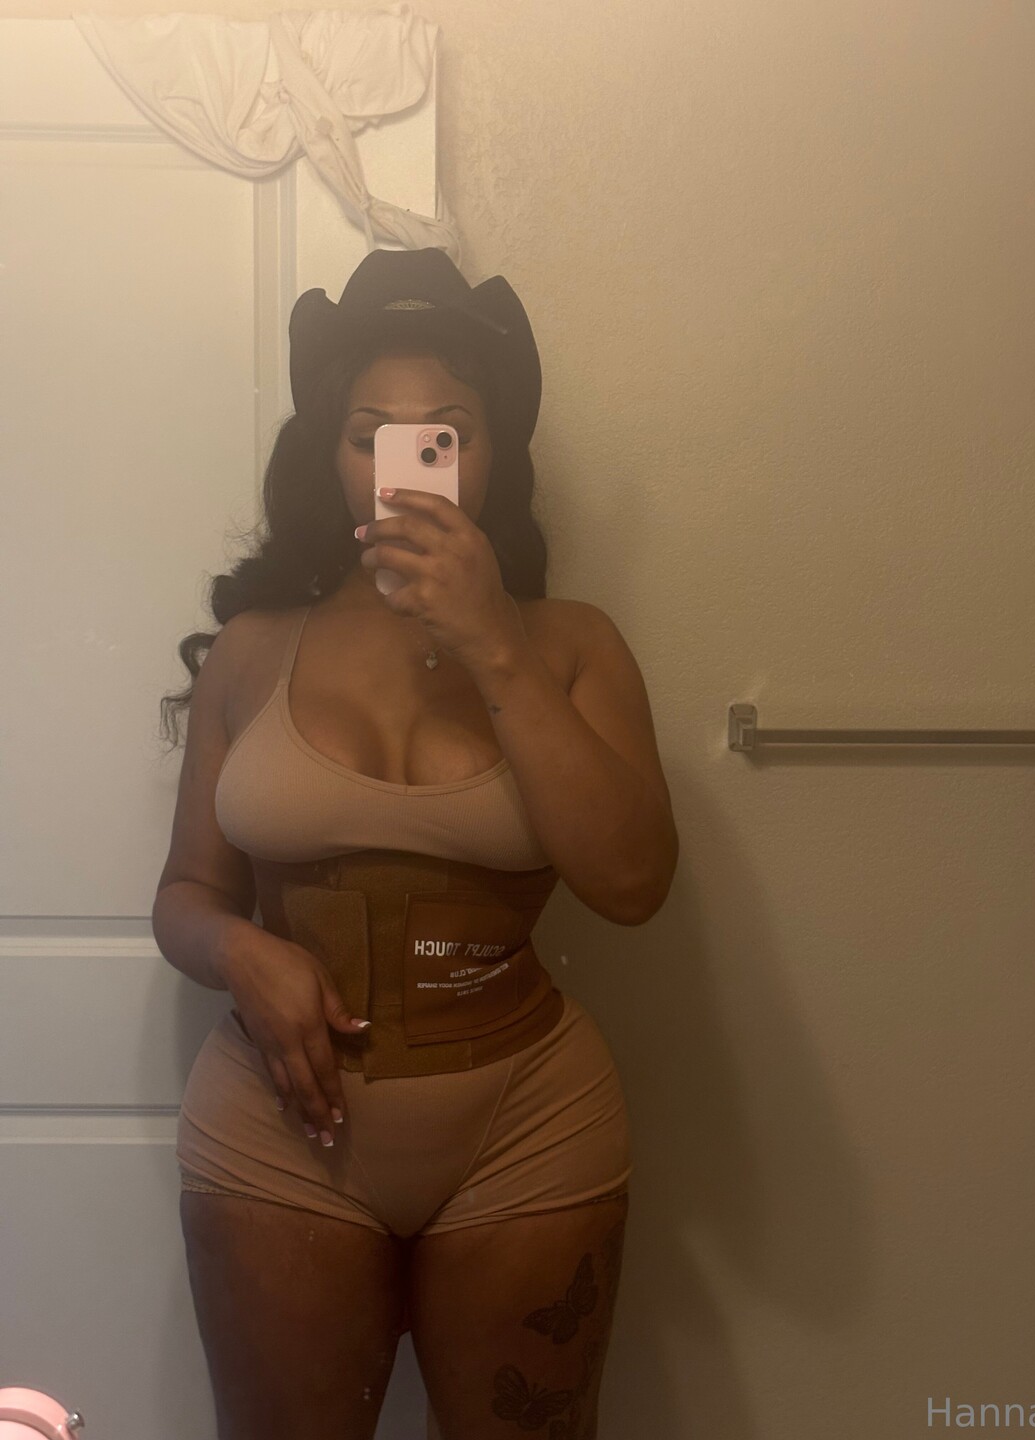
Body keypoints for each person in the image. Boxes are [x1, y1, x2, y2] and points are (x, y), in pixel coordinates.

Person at [153, 247, 679, 1440]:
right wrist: (241, 953)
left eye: (445, 432)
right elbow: (185, 893)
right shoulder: (252, 650)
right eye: (370, 434)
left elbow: (634, 883)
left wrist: (492, 639)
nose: (405, 461)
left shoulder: (572, 644)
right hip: (275, 1130)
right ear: (331, 457)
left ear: (493, 455)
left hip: (529, 1130)